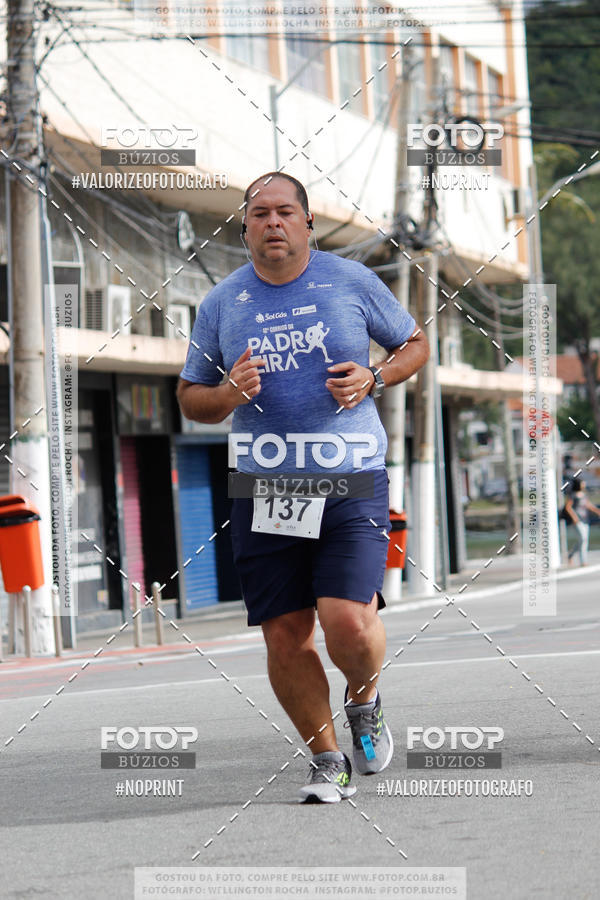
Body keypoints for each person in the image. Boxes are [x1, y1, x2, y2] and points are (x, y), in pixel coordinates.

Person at [177, 172, 429, 803]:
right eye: (259, 213)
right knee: (284, 633)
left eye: (284, 212)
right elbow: (189, 399)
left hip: (350, 477)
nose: (272, 223)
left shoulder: (351, 283)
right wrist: (227, 393)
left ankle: (365, 698)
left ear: (307, 222)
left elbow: (416, 344)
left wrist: (374, 376)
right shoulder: (221, 304)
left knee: (346, 620)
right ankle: (325, 757)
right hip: (265, 487)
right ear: (244, 227)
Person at [565, 478, 600, 566]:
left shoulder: (584, 495)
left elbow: (588, 505)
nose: (584, 484)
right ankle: (583, 561)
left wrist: (597, 511)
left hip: (585, 520)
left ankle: (571, 555)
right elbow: (568, 507)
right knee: (583, 539)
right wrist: (574, 517)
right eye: (582, 483)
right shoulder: (573, 496)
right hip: (577, 521)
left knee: (583, 540)